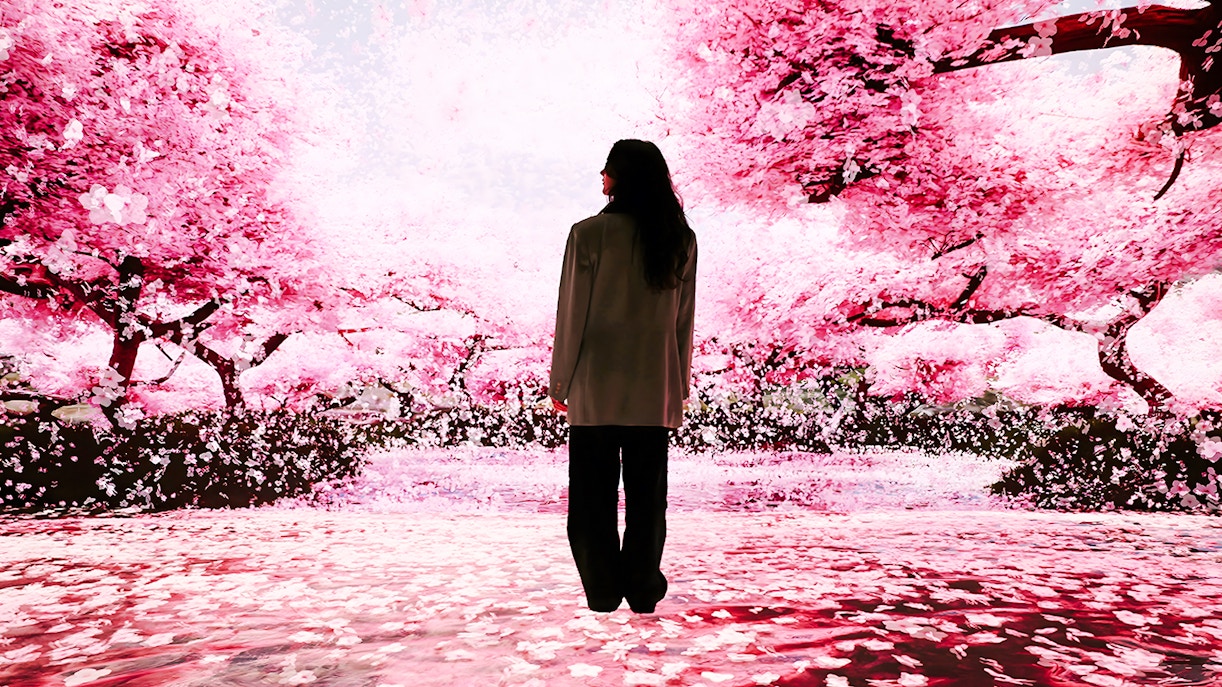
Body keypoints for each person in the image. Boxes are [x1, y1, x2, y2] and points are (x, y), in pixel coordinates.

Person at [548, 139, 697, 614]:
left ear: (621, 176)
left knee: (592, 499)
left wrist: (560, 382)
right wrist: (680, 387)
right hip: (654, 389)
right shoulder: (679, 239)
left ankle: (603, 590)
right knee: (648, 499)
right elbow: (682, 323)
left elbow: (572, 315)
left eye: (607, 168)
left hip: (596, 386)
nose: (601, 175)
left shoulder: (588, 234)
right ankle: (642, 587)